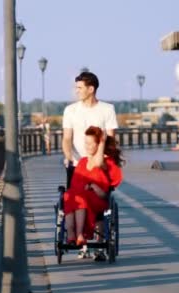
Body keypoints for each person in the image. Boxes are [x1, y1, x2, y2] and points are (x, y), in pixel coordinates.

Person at [63, 126, 123, 261]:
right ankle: (72, 233)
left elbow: (98, 161)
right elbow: (74, 185)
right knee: (69, 196)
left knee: (80, 198)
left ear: (98, 144)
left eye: (91, 143)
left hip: (97, 200)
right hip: (79, 198)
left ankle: (79, 234)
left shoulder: (103, 162)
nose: (87, 146)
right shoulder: (83, 161)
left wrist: (102, 142)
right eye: (86, 143)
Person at [62, 71, 118, 188]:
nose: (76, 91)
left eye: (80, 88)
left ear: (91, 89)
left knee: (98, 196)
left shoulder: (107, 109)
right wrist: (69, 157)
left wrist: (107, 161)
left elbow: (111, 138)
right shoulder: (70, 110)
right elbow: (67, 138)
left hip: (98, 163)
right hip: (77, 162)